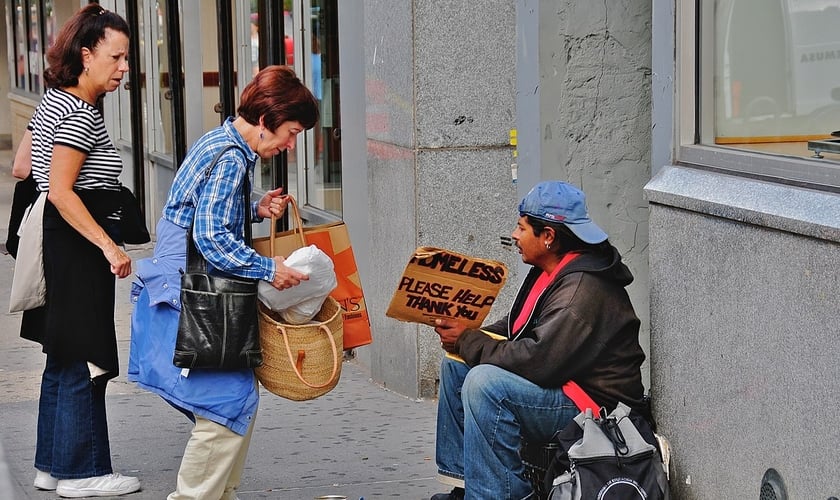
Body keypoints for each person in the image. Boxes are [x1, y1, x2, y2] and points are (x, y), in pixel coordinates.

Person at [128, 65, 319, 500]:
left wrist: (254, 208)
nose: (291, 144)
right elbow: (212, 237)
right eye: (291, 132)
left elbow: (202, 211)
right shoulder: (232, 157)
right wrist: (270, 269)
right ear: (267, 119)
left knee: (231, 402)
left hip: (184, 294)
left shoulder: (221, 143)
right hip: (194, 297)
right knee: (225, 403)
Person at [429, 181, 647, 500]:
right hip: (565, 380)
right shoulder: (553, 269)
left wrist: (468, 341)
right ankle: (466, 485)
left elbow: (540, 362)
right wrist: (466, 337)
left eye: (521, 228)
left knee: (484, 384)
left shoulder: (581, 290)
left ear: (548, 236)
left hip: (595, 403)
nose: (515, 236)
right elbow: (519, 328)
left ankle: (501, 495)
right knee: (456, 366)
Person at [12, 4, 142, 498]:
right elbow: (64, 191)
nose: (124, 67)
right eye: (117, 56)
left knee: (64, 355)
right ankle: (83, 472)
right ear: (87, 55)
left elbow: (23, 167)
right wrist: (109, 246)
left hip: (56, 243)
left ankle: (52, 465)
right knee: (86, 355)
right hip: (77, 246)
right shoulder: (79, 112)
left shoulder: (52, 102)